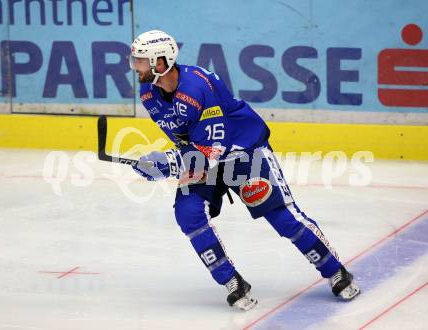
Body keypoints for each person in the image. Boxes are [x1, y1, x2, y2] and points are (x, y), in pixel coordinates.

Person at [129, 30, 360, 311]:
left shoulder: (198, 87)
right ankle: (232, 281)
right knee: (187, 212)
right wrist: (168, 161)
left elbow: (213, 147)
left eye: (140, 60)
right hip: (204, 156)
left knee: (282, 218)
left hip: (242, 151)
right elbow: (186, 138)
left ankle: (335, 270)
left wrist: (169, 163)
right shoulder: (148, 92)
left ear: (161, 62)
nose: (134, 66)